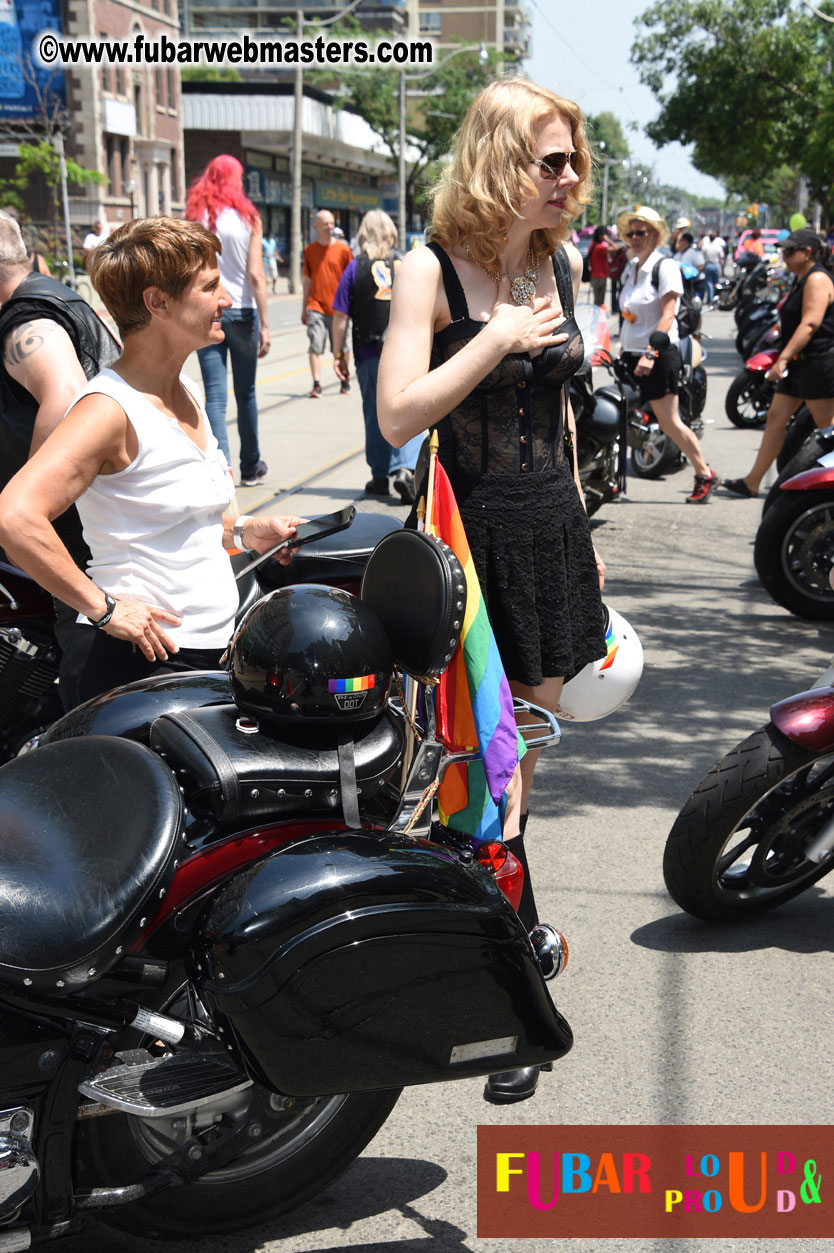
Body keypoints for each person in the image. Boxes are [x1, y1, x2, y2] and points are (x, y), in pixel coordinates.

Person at [377, 78, 608, 1105]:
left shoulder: (556, 267)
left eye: (574, 161)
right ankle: (499, 971)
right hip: (466, 551)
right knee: (477, 771)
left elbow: (558, 419)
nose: (570, 179)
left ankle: (498, 957)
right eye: (549, 160)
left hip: (551, 537)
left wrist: (588, 544)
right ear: (497, 160)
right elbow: (395, 414)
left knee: (516, 774)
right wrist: (497, 337)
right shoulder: (431, 269)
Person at [0, 217, 301, 712]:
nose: (227, 297)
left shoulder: (184, 391)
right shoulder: (108, 410)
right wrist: (104, 609)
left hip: (205, 654)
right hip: (142, 671)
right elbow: (16, 515)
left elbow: (167, 519)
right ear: (158, 302)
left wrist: (246, 531)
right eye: (209, 286)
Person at [0, 209, 120, 650]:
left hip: (79, 550)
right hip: (102, 533)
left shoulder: (24, 320)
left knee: (81, 701)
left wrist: (25, 503)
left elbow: (65, 391)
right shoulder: (57, 296)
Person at [724, 228, 834, 499]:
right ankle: (752, 481)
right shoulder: (801, 278)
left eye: (788, 251)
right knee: (775, 418)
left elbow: (810, 323)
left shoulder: (818, 278)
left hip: (817, 363)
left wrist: (782, 358)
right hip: (799, 364)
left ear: (806, 253)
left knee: (827, 429)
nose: (783, 256)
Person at [617, 206, 717, 503]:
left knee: (669, 422)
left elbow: (667, 315)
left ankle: (704, 472)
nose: (635, 237)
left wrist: (650, 352)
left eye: (641, 232)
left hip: (657, 356)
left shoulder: (665, 267)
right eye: (631, 232)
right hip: (631, 354)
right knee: (619, 412)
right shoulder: (632, 267)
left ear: (656, 235)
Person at [186, 154, 270, 488]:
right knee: (247, 393)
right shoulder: (249, 217)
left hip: (208, 309)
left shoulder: (197, 218)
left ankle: (222, 471)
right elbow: (256, 273)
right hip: (244, 310)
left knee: (215, 397)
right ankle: (250, 467)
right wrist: (265, 323)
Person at [331, 209, 421, 503]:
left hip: (369, 350)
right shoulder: (408, 262)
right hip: (408, 350)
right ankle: (407, 468)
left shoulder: (354, 268)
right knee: (410, 409)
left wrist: (338, 352)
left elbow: (341, 315)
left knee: (374, 411)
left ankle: (380, 475)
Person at [302, 209, 353, 398]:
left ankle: (344, 378)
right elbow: (307, 280)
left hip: (340, 308)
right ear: (316, 226)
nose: (330, 227)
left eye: (332, 223)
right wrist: (304, 307)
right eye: (325, 224)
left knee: (341, 347)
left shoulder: (344, 250)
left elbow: (351, 279)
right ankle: (316, 384)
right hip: (316, 306)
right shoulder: (310, 250)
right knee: (315, 345)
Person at [588, 224, 612, 307]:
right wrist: (608, 239)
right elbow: (616, 248)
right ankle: (598, 319)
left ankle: (596, 317)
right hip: (601, 277)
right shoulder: (600, 247)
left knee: (596, 301)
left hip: (594, 276)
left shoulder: (592, 245)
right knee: (599, 303)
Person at [699, 231, 726, 303]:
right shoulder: (718, 247)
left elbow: (702, 255)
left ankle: (710, 299)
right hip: (716, 265)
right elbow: (721, 257)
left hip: (708, 265)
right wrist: (722, 267)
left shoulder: (706, 246)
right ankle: (715, 299)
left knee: (709, 283)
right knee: (716, 283)